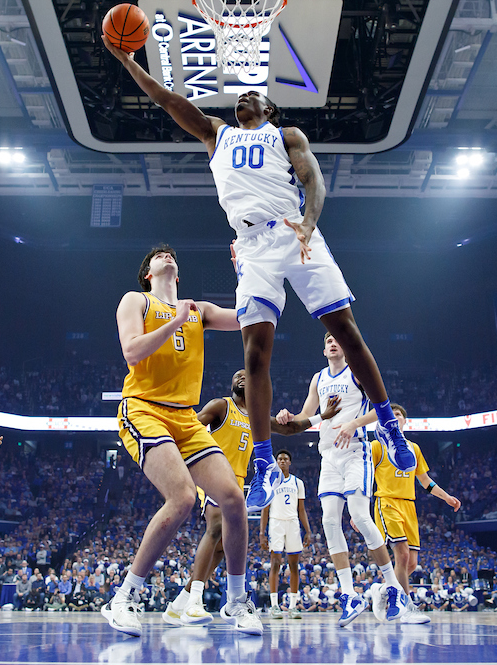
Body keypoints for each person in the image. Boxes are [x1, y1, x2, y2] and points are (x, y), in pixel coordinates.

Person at [105, 40, 416, 514]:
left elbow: (314, 179)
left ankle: (390, 425)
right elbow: (166, 99)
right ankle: (266, 463)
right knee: (255, 351)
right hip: (251, 247)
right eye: (239, 95)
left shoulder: (286, 134)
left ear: (269, 108)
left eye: (253, 95)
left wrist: (310, 221)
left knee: (345, 330)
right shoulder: (216, 134)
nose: (242, 98)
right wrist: (128, 61)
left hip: (295, 230)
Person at [107, 245, 260, 636]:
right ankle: (123, 597)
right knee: (183, 497)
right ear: (148, 273)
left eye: (171, 254)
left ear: (178, 273)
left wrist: (245, 272)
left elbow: (249, 318)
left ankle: (237, 601)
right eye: (158, 254)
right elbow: (131, 352)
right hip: (143, 408)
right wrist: (175, 321)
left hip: (185, 417)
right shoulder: (136, 300)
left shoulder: (200, 310)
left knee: (233, 498)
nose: (166, 255)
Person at [162, 369, 337, 626]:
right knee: (217, 526)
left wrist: (322, 416)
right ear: (231, 384)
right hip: (212, 472)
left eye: (247, 374)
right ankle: (194, 602)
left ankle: (180, 602)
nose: (242, 377)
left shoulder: (257, 417)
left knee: (223, 546)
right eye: (237, 375)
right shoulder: (221, 406)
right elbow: (192, 426)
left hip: (238, 481)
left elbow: (290, 429)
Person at [275, 332, 410, 627]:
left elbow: (382, 409)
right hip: (328, 455)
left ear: (345, 347)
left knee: (360, 516)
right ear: (323, 350)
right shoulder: (318, 379)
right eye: (328, 341)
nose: (333, 343)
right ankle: (349, 594)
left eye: (337, 340)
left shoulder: (357, 372)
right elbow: (305, 415)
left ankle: (394, 588)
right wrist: (287, 417)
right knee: (329, 522)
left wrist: (352, 423)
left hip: (356, 451)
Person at [367, 404, 461, 623]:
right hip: (387, 501)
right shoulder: (376, 446)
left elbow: (426, 481)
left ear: (404, 421)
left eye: (398, 414)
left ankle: (383, 589)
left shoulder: (413, 448)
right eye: (391, 415)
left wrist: (446, 497)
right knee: (402, 554)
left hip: (409, 505)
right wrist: (359, 510)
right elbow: (365, 478)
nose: (395, 417)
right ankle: (406, 608)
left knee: (410, 564)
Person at [261, 450, 312, 619]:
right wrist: (262, 533)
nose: (282, 461)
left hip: (293, 523)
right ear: (276, 462)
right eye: (280, 459)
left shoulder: (298, 483)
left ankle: (292, 607)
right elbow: (265, 509)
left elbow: (302, 509)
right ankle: (274, 606)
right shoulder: (271, 482)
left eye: (285, 459)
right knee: (275, 563)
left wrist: (308, 530)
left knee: (294, 566)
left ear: (290, 462)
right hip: (276, 523)